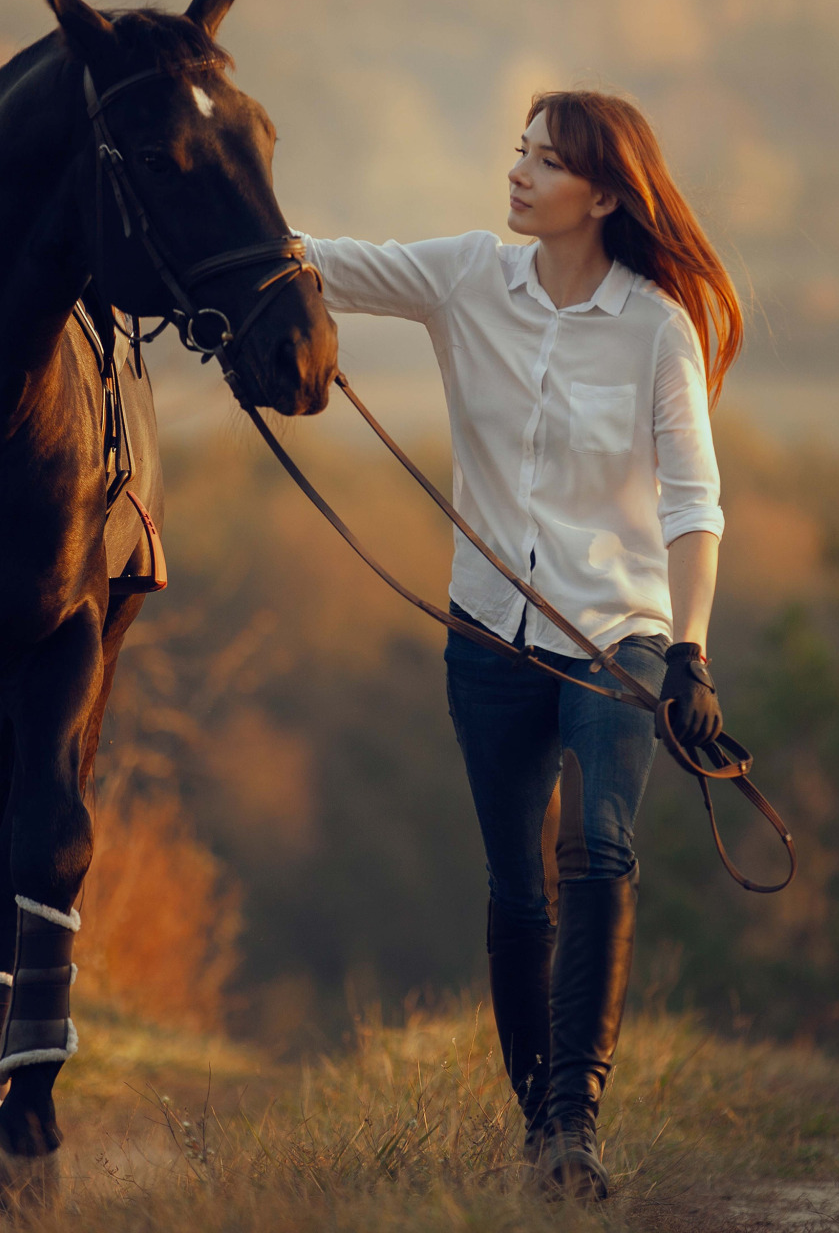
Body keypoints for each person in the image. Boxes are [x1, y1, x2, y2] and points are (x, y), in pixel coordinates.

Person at [299, 90, 741, 1198]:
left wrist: (688, 653)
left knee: (595, 843)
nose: (517, 175)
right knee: (515, 890)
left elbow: (694, 502)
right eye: (519, 154)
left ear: (601, 193)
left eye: (543, 163)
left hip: (619, 636)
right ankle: (539, 1126)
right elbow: (315, 261)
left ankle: (573, 1120)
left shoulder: (657, 326)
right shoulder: (463, 278)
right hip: (489, 637)